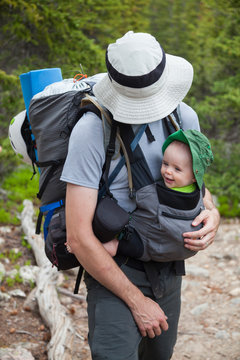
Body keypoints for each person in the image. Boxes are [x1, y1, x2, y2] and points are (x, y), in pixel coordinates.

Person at [61, 31, 220, 360]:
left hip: (169, 269)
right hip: (115, 268)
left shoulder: (182, 117)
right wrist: (136, 301)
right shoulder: (92, 130)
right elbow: (78, 237)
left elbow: (197, 188)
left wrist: (213, 212)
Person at [103, 128, 214, 261]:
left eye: (177, 169)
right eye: (165, 164)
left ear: (194, 176)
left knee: (119, 241)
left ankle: (107, 246)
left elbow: (144, 197)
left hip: (150, 247)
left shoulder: (154, 195)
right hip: (185, 251)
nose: (168, 171)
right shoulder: (198, 188)